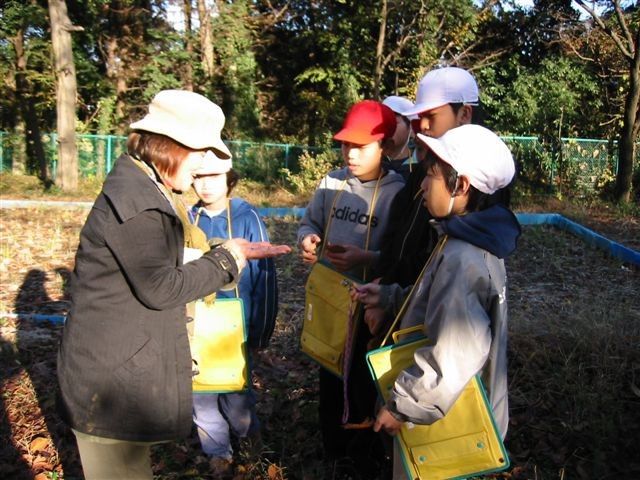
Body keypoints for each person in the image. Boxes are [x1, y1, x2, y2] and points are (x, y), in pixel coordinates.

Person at [56, 89, 291, 480]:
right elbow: (161, 285)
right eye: (200, 153)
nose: (201, 168)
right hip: (108, 386)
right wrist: (227, 259)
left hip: (117, 374)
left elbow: (163, 257)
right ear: (173, 147)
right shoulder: (140, 202)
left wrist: (226, 251)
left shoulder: (147, 186)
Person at [352, 124, 520, 479]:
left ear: (461, 186)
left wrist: (403, 406)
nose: (423, 186)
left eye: (431, 175)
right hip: (448, 406)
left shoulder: (463, 258)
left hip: (446, 420)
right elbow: (436, 302)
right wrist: (390, 296)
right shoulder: (464, 239)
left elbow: (455, 351)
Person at [297, 100, 405, 477]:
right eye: (346, 144)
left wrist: (366, 257)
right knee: (329, 374)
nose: (350, 154)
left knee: (361, 381)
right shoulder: (332, 182)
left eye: (361, 146)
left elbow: (398, 257)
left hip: (368, 306)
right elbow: (309, 222)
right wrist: (308, 239)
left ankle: (363, 453)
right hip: (330, 300)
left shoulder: (397, 193)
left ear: (385, 146)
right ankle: (333, 448)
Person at [189, 156, 278, 474]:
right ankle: (218, 454)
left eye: (214, 176)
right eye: (198, 176)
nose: (206, 184)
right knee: (201, 395)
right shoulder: (188, 219)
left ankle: (250, 442)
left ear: (229, 178)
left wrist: (261, 331)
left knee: (236, 395)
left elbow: (264, 277)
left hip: (235, 329)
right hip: (198, 330)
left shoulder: (247, 218)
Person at [381, 95, 416, 179]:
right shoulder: (372, 165)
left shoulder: (420, 165)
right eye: (383, 122)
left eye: (395, 122)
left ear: (411, 128)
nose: (388, 127)